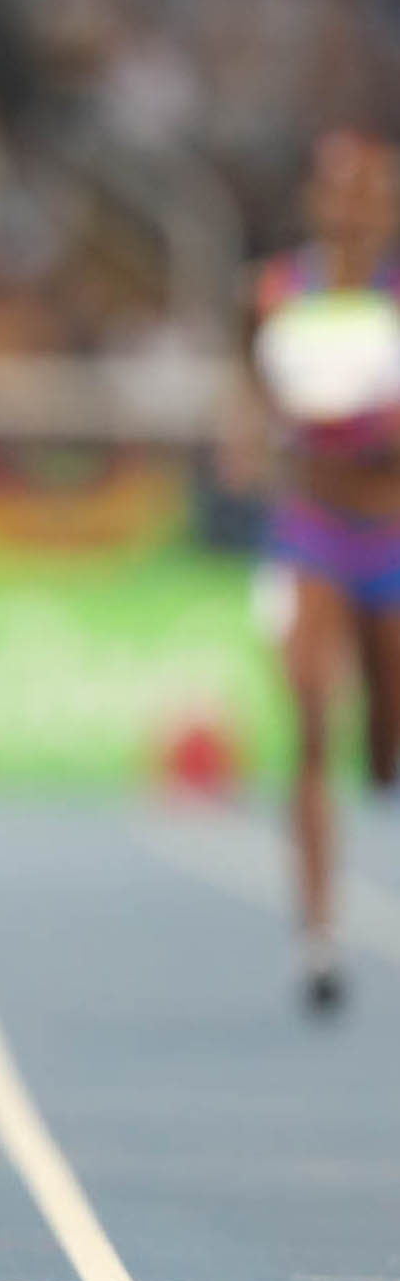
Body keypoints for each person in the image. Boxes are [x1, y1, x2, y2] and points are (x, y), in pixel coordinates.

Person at [239, 128, 400, 1013]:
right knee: (308, 711)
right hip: (311, 532)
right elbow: (252, 388)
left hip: (391, 538)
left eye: (369, 190)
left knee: (382, 748)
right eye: (339, 189)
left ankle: (382, 748)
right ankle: (319, 935)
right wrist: (253, 431)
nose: (353, 207)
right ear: (316, 201)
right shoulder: (276, 292)